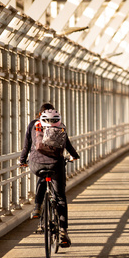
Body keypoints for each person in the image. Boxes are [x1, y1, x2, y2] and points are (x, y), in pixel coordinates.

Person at [19, 103, 80, 247]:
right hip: (56, 165)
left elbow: (26, 145)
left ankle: (37, 208)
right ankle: (64, 232)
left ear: (39, 114)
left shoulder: (33, 125)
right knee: (60, 198)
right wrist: (74, 156)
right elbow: (66, 144)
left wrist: (23, 161)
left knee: (42, 175)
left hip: (36, 164)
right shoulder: (60, 125)